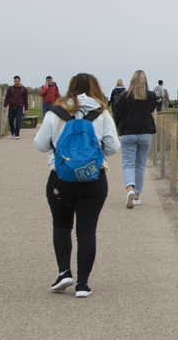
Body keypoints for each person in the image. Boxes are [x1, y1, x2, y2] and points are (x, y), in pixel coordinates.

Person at [33, 73, 119, 298]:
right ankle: (83, 283)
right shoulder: (101, 113)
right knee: (87, 231)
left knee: (61, 226)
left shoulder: (56, 112)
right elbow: (113, 146)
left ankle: (64, 272)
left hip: (60, 179)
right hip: (93, 179)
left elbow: (41, 145)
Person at [112, 70, 160, 208]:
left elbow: (117, 114)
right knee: (140, 165)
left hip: (128, 132)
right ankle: (137, 195)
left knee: (128, 164)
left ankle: (129, 189)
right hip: (145, 132)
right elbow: (151, 109)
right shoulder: (151, 95)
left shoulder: (124, 96)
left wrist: (117, 128)